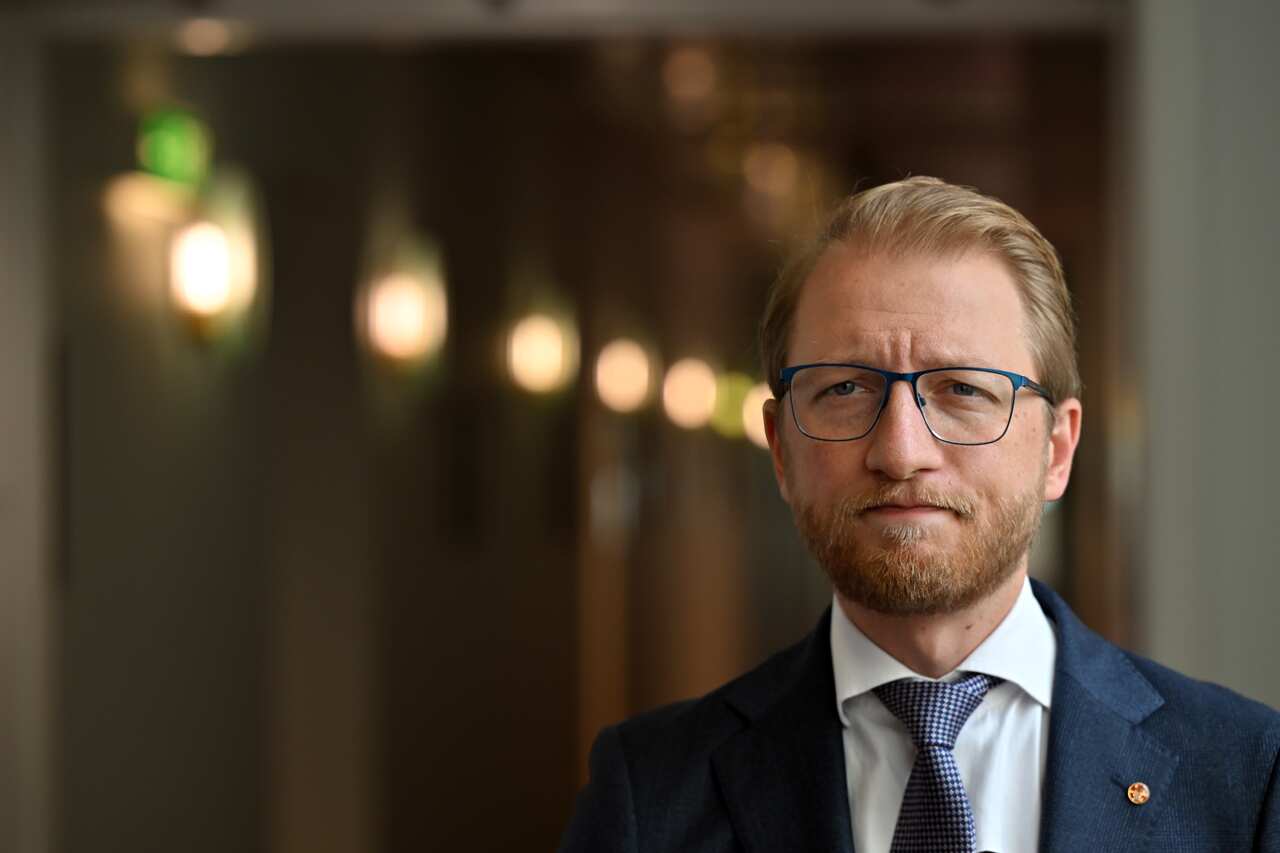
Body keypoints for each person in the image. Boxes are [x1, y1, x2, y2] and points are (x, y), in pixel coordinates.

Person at [558, 177, 1280, 852]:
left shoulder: (1246, 778)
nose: (901, 451)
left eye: (962, 388)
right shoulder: (647, 797)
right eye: (844, 388)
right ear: (780, 448)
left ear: (1057, 449)